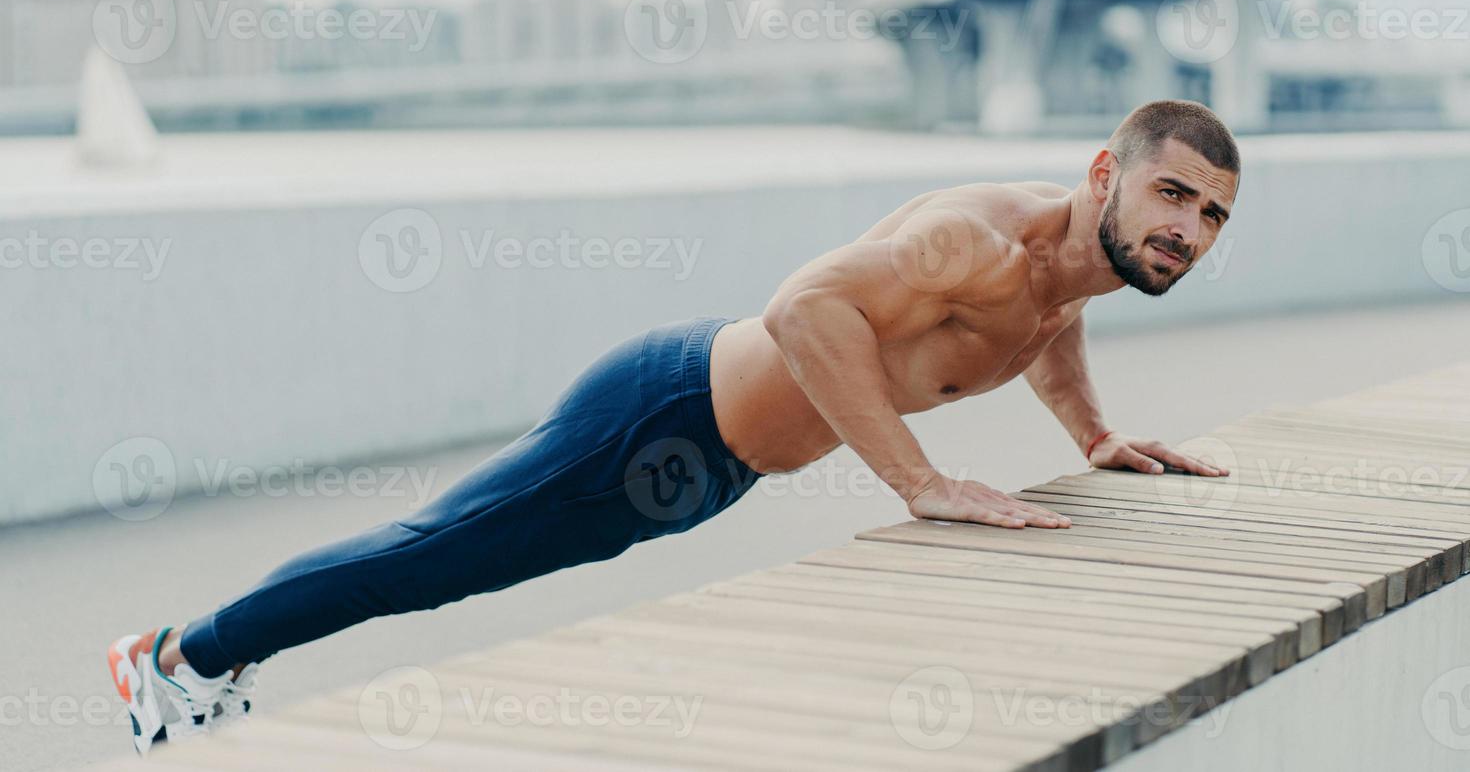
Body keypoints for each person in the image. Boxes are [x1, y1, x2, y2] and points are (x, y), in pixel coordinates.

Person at [108, 98, 1237, 754]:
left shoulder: (1069, 272)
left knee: (454, 565)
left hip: (708, 466)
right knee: (431, 556)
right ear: (1107, 174)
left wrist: (1092, 436)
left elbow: (1053, 321)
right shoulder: (977, 242)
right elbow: (805, 307)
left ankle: (201, 653)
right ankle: (174, 658)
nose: (1190, 228)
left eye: (1213, 215)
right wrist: (919, 480)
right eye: (1174, 195)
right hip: (660, 413)